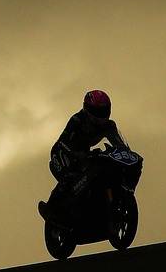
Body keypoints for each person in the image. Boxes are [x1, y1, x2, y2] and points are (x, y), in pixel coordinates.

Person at [40, 90, 126, 223]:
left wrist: (125, 153)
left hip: (85, 155)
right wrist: (77, 154)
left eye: (104, 111)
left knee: (99, 170)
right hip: (62, 152)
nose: (101, 116)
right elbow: (63, 141)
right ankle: (50, 208)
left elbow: (119, 145)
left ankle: (94, 207)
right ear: (87, 109)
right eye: (97, 112)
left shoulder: (109, 126)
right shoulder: (77, 120)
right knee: (70, 176)